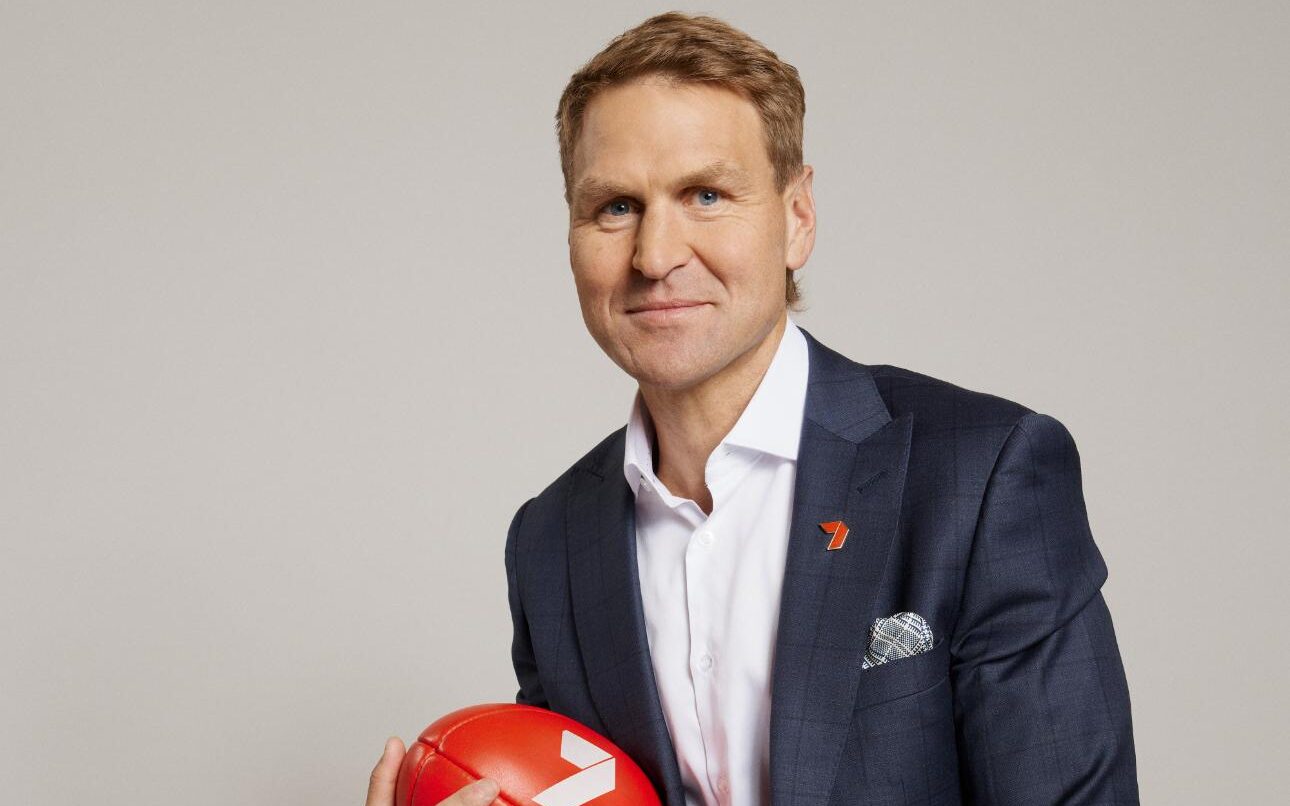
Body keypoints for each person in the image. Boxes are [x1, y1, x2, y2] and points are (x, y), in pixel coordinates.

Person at [367, 11, 1138, 806]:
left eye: (705, 195)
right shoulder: (550, 542)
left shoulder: (982, 475)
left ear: (797, 218)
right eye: (616, 207)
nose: (655, 256)